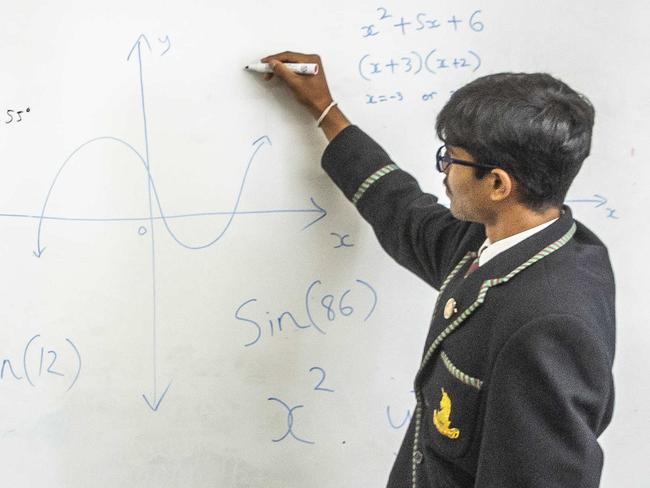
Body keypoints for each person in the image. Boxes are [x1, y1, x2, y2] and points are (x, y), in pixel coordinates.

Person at [260, 52, 616, 488]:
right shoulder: (509, 241)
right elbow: (402, 210)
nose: (444, 172)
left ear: (499, 184)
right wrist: (325, 111)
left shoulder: (548, 327)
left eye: (451, 159)